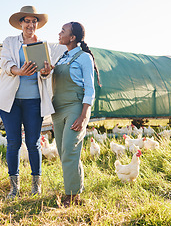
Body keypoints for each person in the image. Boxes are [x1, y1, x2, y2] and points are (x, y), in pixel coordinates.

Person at [0, 6, 54, 199]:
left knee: (33, 143)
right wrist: (17, 71)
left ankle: (36, 186)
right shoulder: (10, 42)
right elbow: (4, 64)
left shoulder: (43, 45)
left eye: (34, 21)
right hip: (11, 101)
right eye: (27, 21)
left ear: (37, 24)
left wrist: (46, 72)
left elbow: (47, 75)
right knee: (13, 143)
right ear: (20, 23)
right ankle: (14, 187)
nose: (31, 25)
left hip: (33, 101)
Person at [50, 22, 101, 207]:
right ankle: (75, 190)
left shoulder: (84, 57)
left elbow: (90, 88)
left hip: (75, 107)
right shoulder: (62, 58)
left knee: (70, 150)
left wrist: (84, 115)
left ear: (72, 37)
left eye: (63, 31)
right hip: (57, 109)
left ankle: (72, 196)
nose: (59, 33)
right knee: (64, 152)